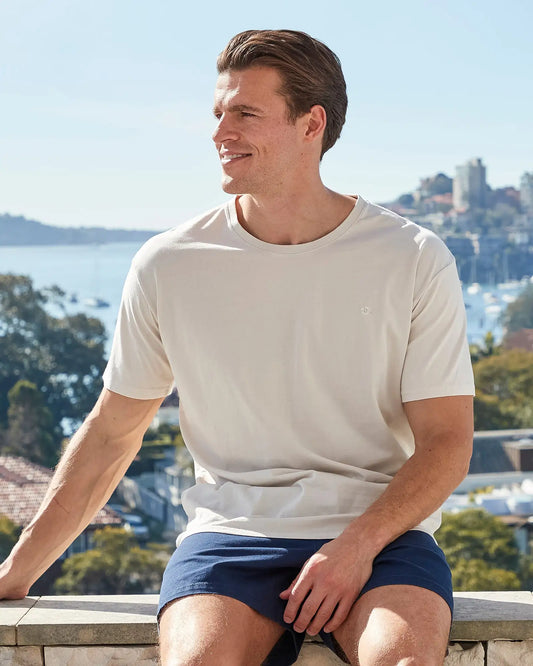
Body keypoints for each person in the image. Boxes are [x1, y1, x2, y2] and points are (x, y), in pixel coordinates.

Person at [0, 29, 474, 666]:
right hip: (230, 536)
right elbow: (114, 433)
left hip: (381, 537)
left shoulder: (413, 258)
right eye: (218, 112)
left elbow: (446, 441)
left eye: (245, 113)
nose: (220, 131)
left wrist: (355, 546)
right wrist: (16, 570)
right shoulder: (169, 264)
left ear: (312, 124)